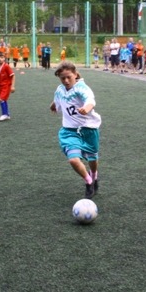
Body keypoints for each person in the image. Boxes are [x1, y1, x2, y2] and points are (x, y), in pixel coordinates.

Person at [49, 61, 101, 199]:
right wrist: (53, 105)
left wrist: (86, 109)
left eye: (69, 77)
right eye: (63, 78)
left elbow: (90, 100)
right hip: (69, 131)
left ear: (75, 74)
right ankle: (88, 182)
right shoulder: (60, 89)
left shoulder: (82, 88)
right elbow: (58, 99)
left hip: (88, 129)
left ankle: (94, 176)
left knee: (92, 158)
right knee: (73, 160)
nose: (66, 81)